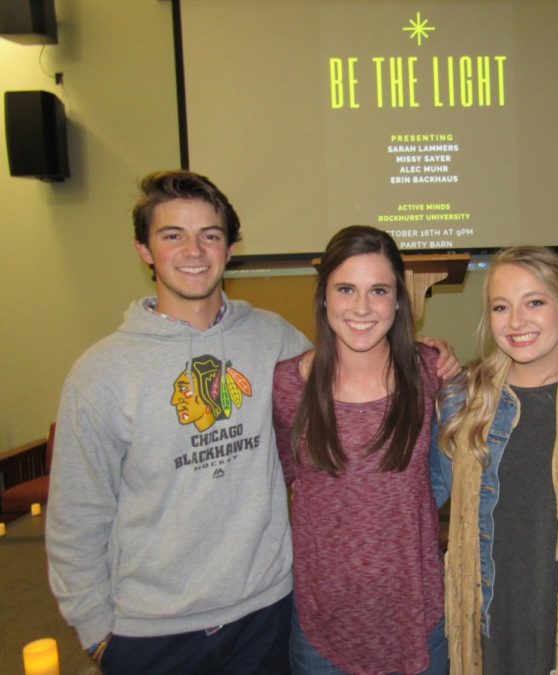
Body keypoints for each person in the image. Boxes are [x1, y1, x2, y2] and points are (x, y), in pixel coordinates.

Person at [45, 172, 457, 674]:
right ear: (144, 250)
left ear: (231, 247)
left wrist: (429, 353)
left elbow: (355, 380)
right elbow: (77, 514)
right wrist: (97, 634)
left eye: (210, 235)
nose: (194, 250)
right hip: (153, 631)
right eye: (173, 234)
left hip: (265, 613)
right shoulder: (101, 373)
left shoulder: (272, 343)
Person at [431, 246, 558, 675]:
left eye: (535, 302)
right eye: (502, 307)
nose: (517, 322)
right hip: (494, 629)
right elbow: (415, 499)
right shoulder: (462, 403)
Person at [273, 226, 450, 674]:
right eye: (346, 289)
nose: (361, 307)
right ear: (324, 298)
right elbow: (276, 487)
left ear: (397, 301)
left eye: (379, 291)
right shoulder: (287, 385)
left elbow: (447, 480)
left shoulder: (432, 374)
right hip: (322, 629)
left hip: (418, 619)